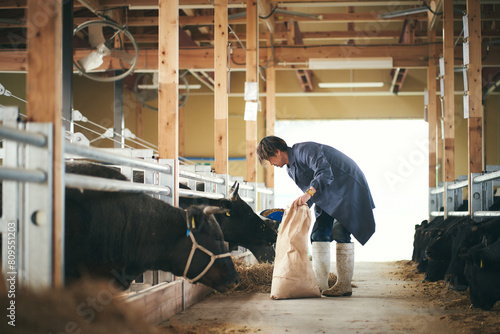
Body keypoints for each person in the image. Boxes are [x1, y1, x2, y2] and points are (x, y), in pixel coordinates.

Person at [257, 136, 376, 297]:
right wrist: (296, 211)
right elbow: (311, 192)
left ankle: (344, 284)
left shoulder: (304, 150)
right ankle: (320, 284)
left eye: (269, 159)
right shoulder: (290, 169)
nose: (270, 163)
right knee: (318, 234)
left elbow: (324, 172)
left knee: (339, 232)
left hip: (347, 187)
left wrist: (308, 195)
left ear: (277, 151)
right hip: (328, 195)